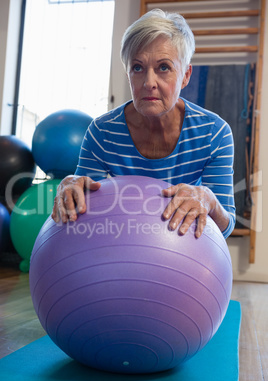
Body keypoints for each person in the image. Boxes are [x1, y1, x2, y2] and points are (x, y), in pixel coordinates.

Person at [52, 8, 236, 239]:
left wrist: (209, 200)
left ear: (186, 75)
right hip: (122, 244)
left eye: (164, 68)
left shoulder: (214, 134)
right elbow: (81, 210)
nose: (149, 82)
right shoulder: (103, 132)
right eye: (138, 68)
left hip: (186, 254)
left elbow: (226, 227)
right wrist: (71, 188)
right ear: (128, 74)